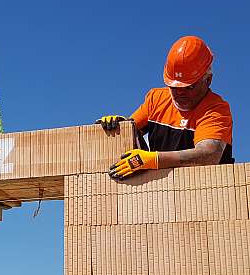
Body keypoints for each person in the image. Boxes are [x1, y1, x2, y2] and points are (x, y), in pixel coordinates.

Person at [96, 35, 234, 179]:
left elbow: (209, 155)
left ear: (208, 80)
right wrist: (117, 125)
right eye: (174, 87)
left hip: (204, 191)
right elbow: (130, 131)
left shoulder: (216, 110)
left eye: (189, 87)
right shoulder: (156, 100)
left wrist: (155, 160)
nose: (180, 92)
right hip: (163, 191)